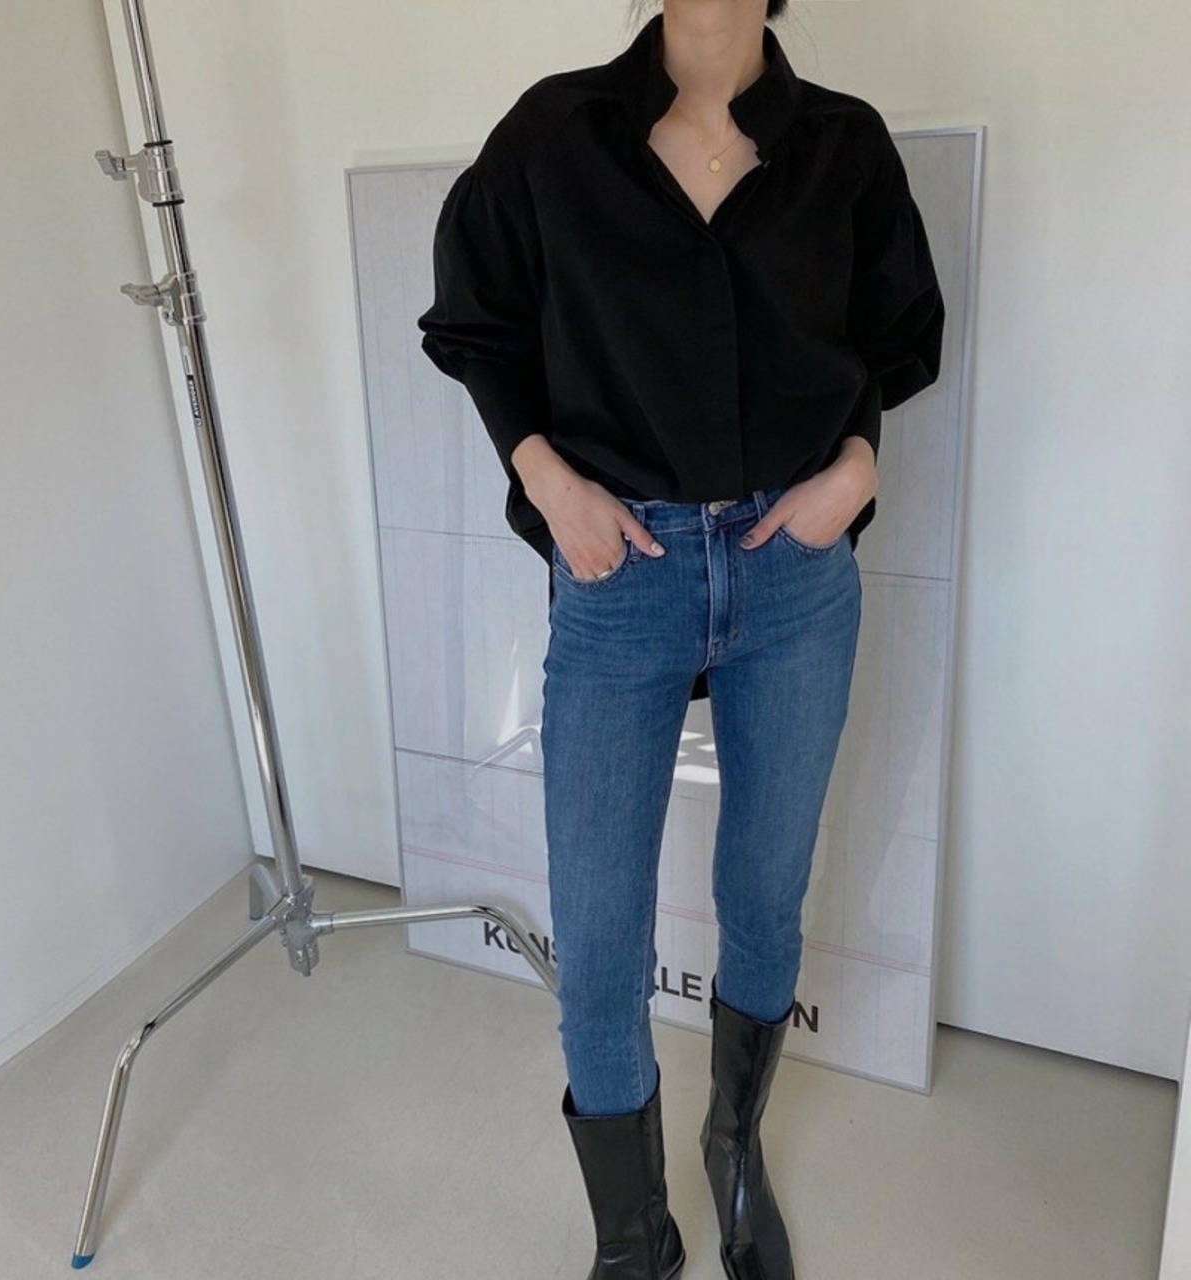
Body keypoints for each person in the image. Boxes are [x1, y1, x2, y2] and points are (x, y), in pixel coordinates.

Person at [418, 1, 945, 1275]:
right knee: (598, 930)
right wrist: (547, 482)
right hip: (621, 571)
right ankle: (632, 1237)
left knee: (763, 891)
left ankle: (732, 1150)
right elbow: (473, 324)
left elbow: (894, 337)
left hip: (793, 572)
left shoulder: (843, 145)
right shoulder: (553, 134)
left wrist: (855, 466)